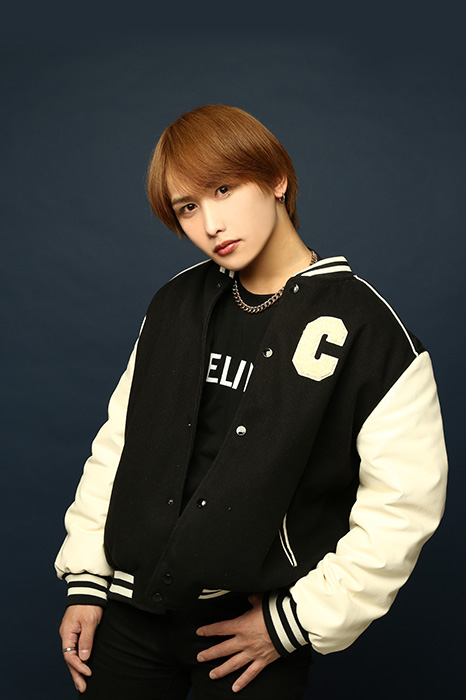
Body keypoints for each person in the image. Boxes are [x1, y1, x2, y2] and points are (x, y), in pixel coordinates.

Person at [56, 105, 448, 699]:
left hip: (251, 631)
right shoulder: (174, 305)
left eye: (223, 189)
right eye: (188, 208)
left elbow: (404, 509)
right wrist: (87, 581)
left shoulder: (372, 331)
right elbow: (120, 445)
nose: (211, 223)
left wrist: (296, 622)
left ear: (276, 179)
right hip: (127, 612)